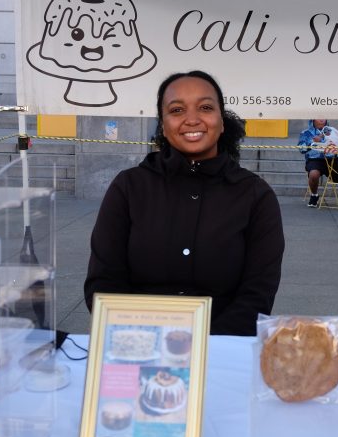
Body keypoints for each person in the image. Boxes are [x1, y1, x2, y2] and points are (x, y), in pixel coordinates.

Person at [84, 70, 285, 336]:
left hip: (222, 350)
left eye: (205, 107)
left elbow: (258, 293)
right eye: (177, 110)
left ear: (221, 121)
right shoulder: (129, 187)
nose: (192, 119)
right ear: (163, 126)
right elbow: (104, 282)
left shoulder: (256, 196)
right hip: (139, 346)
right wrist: (143, 340)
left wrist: (205, 349)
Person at [297, 119, 338, 210]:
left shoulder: (332, 131)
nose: (321, 119)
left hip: (333, 159)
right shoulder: (306, 133)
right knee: (314, 174)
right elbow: (301, 149)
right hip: (315, 159)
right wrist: (312, 143)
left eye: (324, 116)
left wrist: (325, 140)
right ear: (313, 119)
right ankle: (314, 196)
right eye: (319, 117)